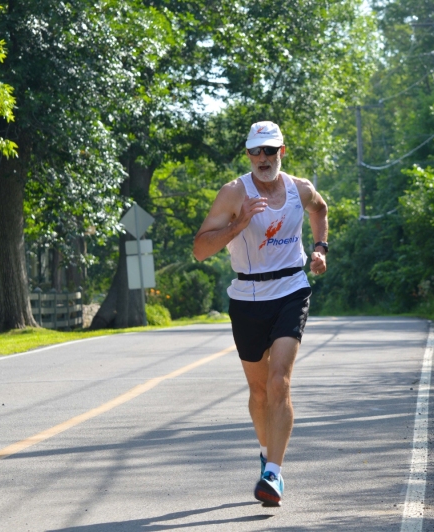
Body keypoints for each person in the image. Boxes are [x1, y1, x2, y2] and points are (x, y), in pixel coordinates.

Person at [193, 121, 328, 507]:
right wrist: (240, 223)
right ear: (248, 153)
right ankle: (267, 450)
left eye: (270, 150)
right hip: (248, 296)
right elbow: (200, 250)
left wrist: (320, 249)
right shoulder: (233, 193)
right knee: (257, 391)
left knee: (278, 382)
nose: (263, 159)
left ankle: (273, 472)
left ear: (282, 150)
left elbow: (320, 208)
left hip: (291, 288)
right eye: (257, 151)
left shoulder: (299, 188)